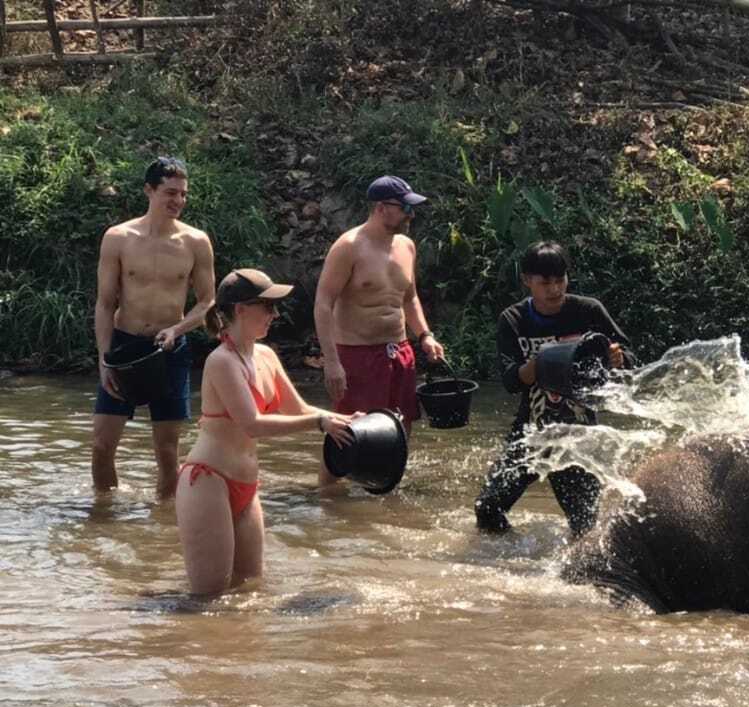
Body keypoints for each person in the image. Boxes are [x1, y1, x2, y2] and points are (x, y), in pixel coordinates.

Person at [176, 269, 356, 595]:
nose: (274, 314)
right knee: (208, 600)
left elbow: (298, 410)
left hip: (246, 487)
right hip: (208, 481)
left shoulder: (266, 355)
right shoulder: (221, 361)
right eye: (267, 306)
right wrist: (319, 424)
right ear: (240, 309)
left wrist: (350, 420)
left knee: (249, 590)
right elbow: (253, 424)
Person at [475, 241, 635, 536]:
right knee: (487, 508)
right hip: (532, 429)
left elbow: (628, 356)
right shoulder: (514, 320)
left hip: (579, 433)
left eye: (560, 280)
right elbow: (511, 382)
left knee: (585, 526)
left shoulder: (588, 310)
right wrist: (537, 364)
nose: (554, 290)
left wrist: (619, 357)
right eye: (545, 282)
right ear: (527, 280)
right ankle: (509, 557)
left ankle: (572, 576)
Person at [92, 156, 216, 497]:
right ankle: (103, 519)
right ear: (149, 190)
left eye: (183, 195)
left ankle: (165, 525)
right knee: (102, 446)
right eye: (170, 193)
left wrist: (177, 329)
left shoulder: (195, 242)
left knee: (166, 452)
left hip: (169, 348)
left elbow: (207, 301)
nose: (178, 201)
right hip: (124, 346)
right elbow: (105, 304)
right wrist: (104, 359)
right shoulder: (118, 238)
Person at [313, 174, 445, 485]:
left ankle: (385, 492)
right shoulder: (348, 247)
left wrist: (425, 335)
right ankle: (327, 502)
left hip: (399, 350)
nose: (411, 215)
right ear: (380, 208)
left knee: (399, 429)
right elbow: (322, 304)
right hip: (356, 354)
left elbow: (409, 297)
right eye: (404, 208)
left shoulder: (407, 246)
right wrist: (331, 362)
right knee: (347, 435)